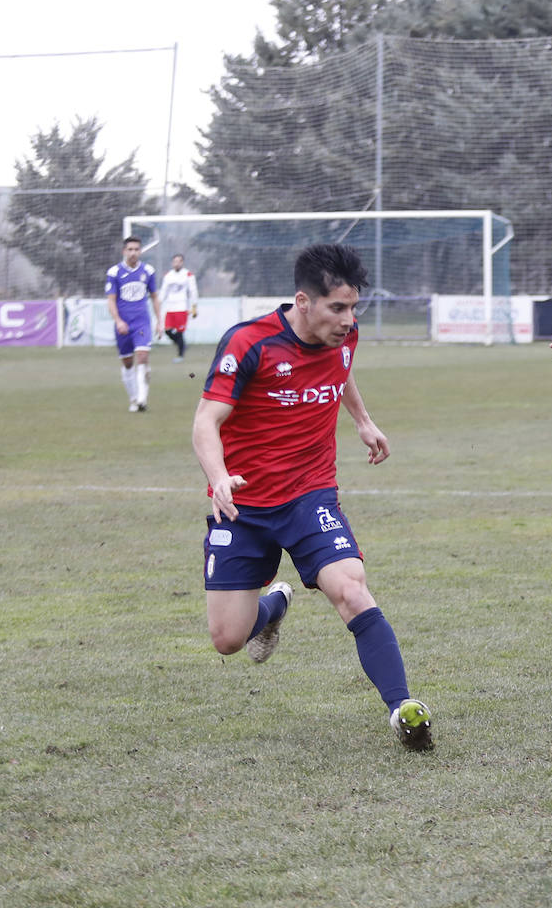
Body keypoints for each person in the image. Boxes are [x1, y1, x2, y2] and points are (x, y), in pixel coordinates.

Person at [191, 243, 433, 751]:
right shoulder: (249, 343)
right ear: (303, 302)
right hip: (243, 503)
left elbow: (340, 370)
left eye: (354, 308)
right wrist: (219, 478)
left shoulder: (345, 337)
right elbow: (205, 421)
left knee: (350, 586)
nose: (349, 320)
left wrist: (363, 422)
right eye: (337, 308)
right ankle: (272, 606)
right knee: (228, 640)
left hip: (310, 495)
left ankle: (403, 708)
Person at [105, 236, 161, 412]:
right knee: (128, 363)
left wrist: (160, 321)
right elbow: (111, 300)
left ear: (140, 251)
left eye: (136, 249)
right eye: (130, 249)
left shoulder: (148, 271)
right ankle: (134, 397)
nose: (133, 252)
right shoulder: (114, 273)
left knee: (143, 356)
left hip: (141, 323)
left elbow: (154, 297)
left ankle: (142, 400)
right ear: (124, 251)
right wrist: (118, 321)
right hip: (123, 325)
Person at [159, 253, 200, 362]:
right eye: (175, 261)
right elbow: (163, 291)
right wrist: (158, 303)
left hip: (182, 308)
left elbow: (193, 291)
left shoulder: (188, 275)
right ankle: (182, 345)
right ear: (172, 263)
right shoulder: (168, 275)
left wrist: (194, 306)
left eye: (179, 261)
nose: (176, 263)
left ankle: (180, 355)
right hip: (170, 308)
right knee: (167, 331)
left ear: (182, 262)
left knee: (179, 332)